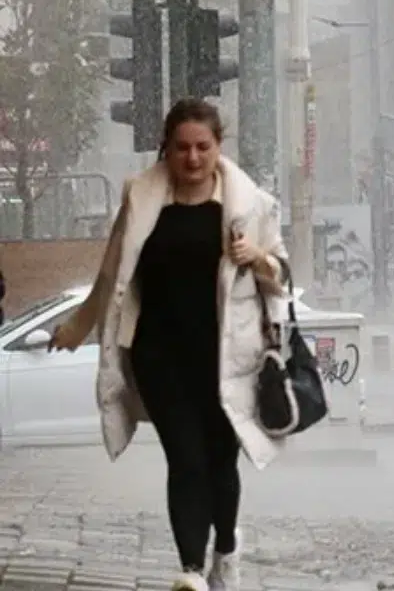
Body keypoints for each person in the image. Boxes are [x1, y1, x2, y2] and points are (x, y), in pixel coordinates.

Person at [49, 99, 289, 591]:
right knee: (185, 460)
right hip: (160, 357)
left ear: (219, 147)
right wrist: (79, 325)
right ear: (167, 148)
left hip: (226, 360)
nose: (193, 158)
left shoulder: (250, 206)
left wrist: (257, 255)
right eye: (182, 148)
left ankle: (226, 547)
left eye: (203, 147)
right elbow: (111, 271)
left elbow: (283, 276)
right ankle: (191, 571)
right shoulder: (141, 197)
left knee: (221, 464)